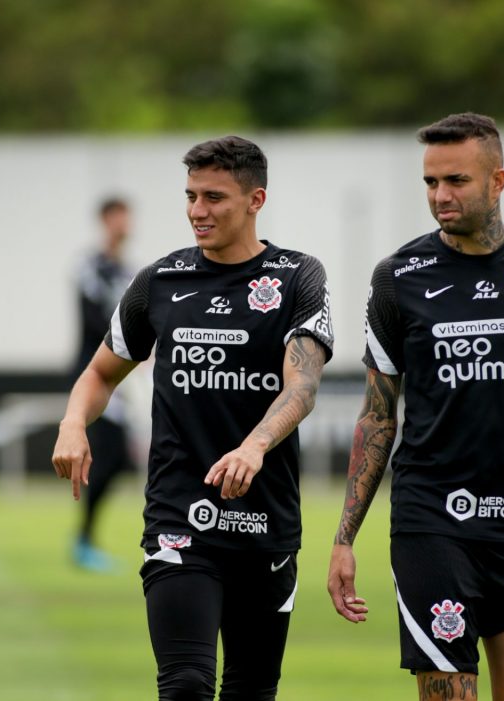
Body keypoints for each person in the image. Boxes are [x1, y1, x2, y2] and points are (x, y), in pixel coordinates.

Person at [53, 135, 337, 700]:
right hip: (179, 519)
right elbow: (100, 373)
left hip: (266, 523)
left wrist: (254, 447)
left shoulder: (299, 277)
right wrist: (72, 423)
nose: (197, 212)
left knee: (251, 690)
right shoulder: (159, 282)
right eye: (190, 196)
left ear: (256, 199)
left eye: (214, 198)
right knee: (184, 685)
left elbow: (301, 386)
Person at [327, 113, 504, 700]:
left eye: (456, 181)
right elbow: (377, 415)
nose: (440, 196)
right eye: (430, 182)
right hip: (431, 524)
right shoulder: (398, 278)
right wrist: (345, 539)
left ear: (498, 181)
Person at [70, 196, 138, 571]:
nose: (124, 223)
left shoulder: (129, 272)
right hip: (93, 374)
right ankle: (83, 541)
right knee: (108, 456)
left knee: (116, 460)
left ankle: (84, 539)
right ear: (104, 220)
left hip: (121, 378)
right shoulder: (90, 267)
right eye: (118, 216)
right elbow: (95, 321)